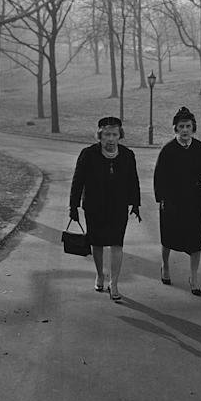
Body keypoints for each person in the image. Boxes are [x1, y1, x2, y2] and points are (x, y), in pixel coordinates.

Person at [69, 116, 142, 302]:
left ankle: (114, 283)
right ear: (100, 136)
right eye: (107, 134)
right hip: (94, 206)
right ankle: (100, 275)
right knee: (97, 242)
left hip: (118, 206)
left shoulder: (127, 155)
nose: (110, 139)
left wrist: (136, 204)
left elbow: (133, 180)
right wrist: (73, 206)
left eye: (114, 134)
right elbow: (77, 181)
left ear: (120, 136)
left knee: (117, 243)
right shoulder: (88, 154)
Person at [153, 106, 201, 296]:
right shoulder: (168, 150)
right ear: (175, 128)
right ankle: (165, 266)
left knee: (195, 240)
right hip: (172, 201)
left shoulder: (199, 147)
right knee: (168, 238)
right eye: (181, 126)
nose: (185, 130)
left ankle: (194, 277)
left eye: (188, 126)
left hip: (195, 201)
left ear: (193, 128)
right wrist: (162, 199)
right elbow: (159, 177)